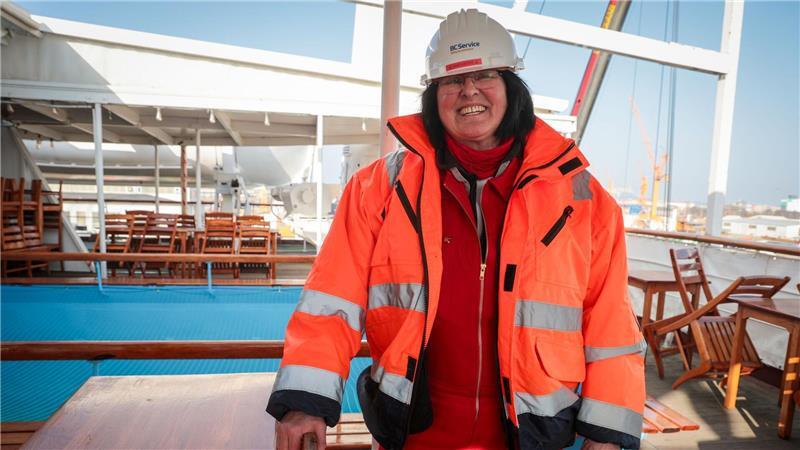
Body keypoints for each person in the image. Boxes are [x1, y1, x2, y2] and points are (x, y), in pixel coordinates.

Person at [267, 9, 645, 450]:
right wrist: (304, 402)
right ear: (434, 95)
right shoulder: (377, 190)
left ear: (511, 87)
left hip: (533, 436)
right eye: (451, 80)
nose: (469, 91)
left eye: (484, 74)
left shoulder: (584, 201)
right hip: (413, 433)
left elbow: (611, 326)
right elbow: (331, 302)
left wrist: (606, 436)